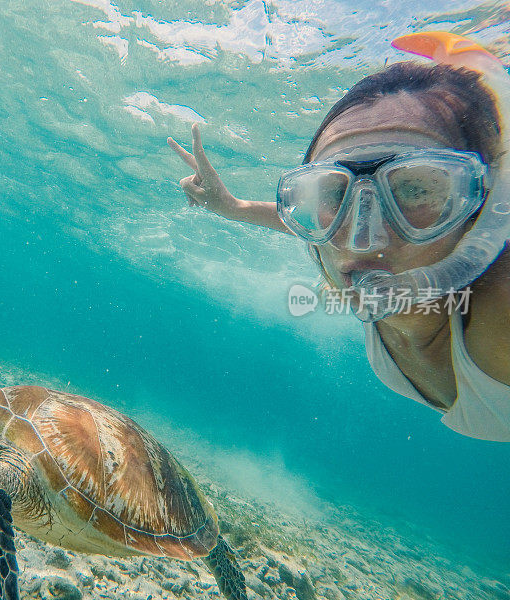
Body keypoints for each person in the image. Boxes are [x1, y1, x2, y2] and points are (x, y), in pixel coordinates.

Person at [168, 32, 510, 442]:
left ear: (483, 217)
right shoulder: (353, 264)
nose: (360, 239)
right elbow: (303, 221)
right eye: (333, 194)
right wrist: (234, 207)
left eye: (416, 189)